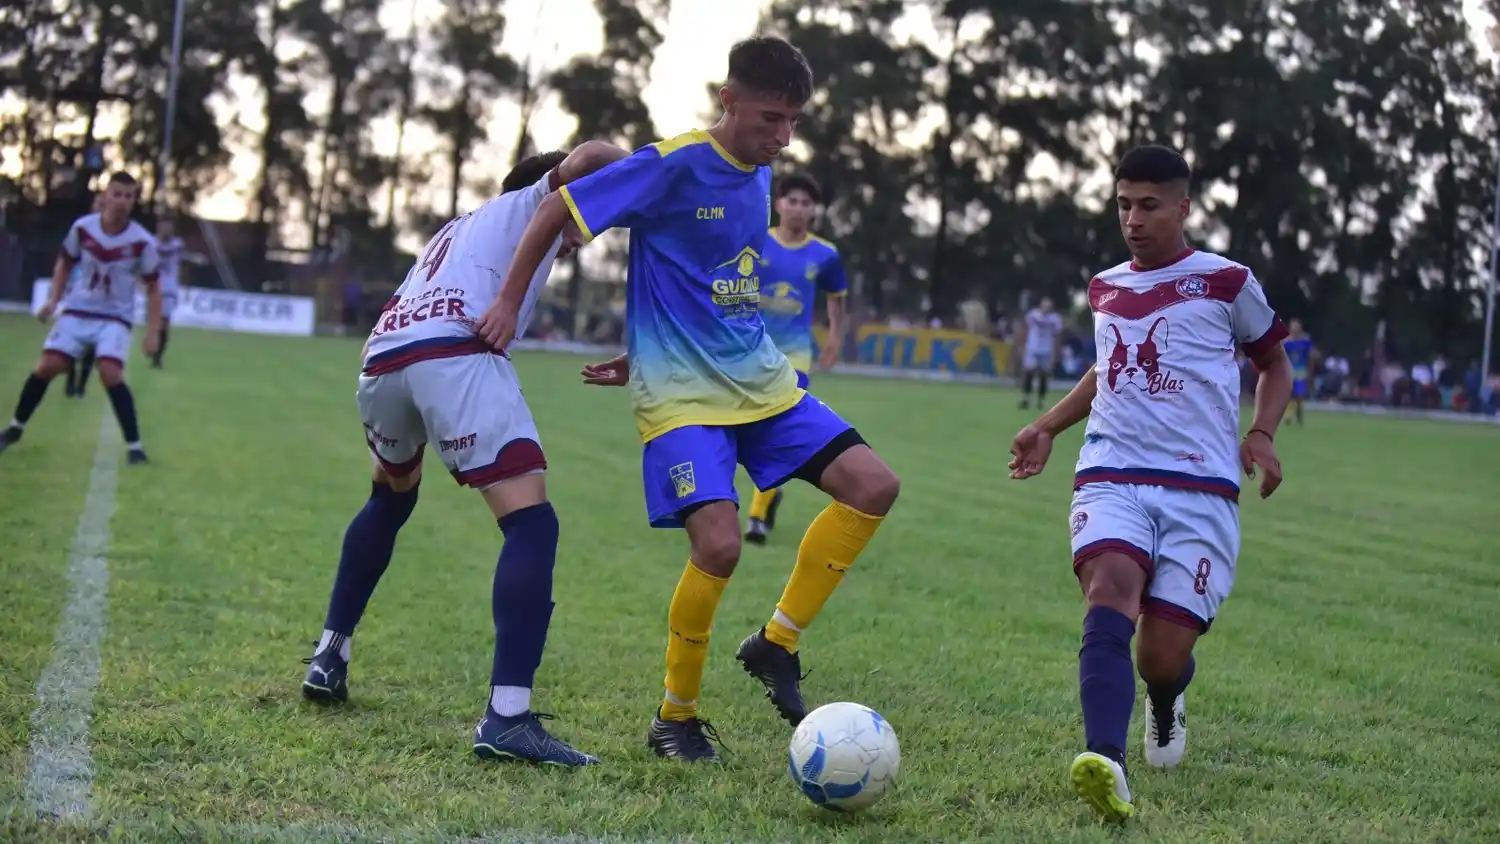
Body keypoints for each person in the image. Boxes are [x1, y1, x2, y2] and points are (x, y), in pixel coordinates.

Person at [477, 35, 901, 764]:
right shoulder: (671, 164)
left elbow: (707, 278)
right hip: (681, 398)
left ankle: (775, 644)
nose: (783, 135)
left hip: (760, 380)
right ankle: (675, 717)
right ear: (727, 101)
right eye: (771, 117)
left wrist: (644, 339)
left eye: (794, 120)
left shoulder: (760, 174)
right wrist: (510, 305)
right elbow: (558, 212)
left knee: (873, 485)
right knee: (720, 544)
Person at [299, 141, 627, 767]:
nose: (575, 241)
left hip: (383, 360)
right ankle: (507, 718)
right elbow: (587, 161)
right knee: (532, 524)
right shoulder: (529, 200)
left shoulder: (460, 226)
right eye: (577, 230)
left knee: (389, 498)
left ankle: (329, 652)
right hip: (453, 353)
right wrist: (660, 166)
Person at [1007, 144, 1292, 822]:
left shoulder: (1226, 281)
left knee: (1159, 658)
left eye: (1148, 205)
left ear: (1184, 206)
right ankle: (1106, 761)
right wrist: (1048, 425)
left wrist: (1262, 435)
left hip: (1201, 492)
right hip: (1111, 473)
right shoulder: (1107, 286)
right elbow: (1108, 371)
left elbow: (1274, 366)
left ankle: (1166, 700)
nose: (1132, 219)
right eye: (1123, 205)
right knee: (1108, 589)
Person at [0, 172, 160, 462]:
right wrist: (53, 300)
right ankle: (14, 428)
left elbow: (153, 288)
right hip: (77, 310)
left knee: (111, 373)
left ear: (134, 201)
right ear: (105, 196)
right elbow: (64, 262)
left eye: (129, 196)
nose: (122, 201)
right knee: (48, 365)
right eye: (117, 194)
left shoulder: (142, 242)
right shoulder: (83, 229)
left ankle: (135, 447)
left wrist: (153, 332)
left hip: (114, 317)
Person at [743, 172, 848, 546]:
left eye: (807, 203)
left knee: (777, 427)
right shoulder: (755, 239)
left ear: (814, 210)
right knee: (744, 429)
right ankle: (768, 495)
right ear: (779, 204)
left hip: (795, 354)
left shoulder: (825, 254)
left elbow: (836, 297)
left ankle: (756, 516)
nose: (799, 209)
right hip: (749, 348)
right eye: (793, 201)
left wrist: (834, 338)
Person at [65, 193, 107, 399]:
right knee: (73, 338)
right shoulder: (81, 229)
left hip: (100, 298)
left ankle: (81, 385)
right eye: (97, 204)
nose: (99, 208)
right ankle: (70, 381)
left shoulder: (113, 233)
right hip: (78, 292)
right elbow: (68, 257)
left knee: (91, 343)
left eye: (103, 205)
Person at [1017, 297, 1063, 410]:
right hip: (1032, 348)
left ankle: (1041, 400)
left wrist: (1056, 352)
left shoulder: (1055, 319)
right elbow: (1025, 329)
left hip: (1046, 350)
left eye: (1048, 306)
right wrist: (1022, 345)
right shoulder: (1033, 315)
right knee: (1029, 372)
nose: (1046, 308)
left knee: (1043, 375)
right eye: (1044, 306)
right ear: (1040, 306)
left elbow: (1057, 335)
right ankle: (1026, 398)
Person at [152, 218, 185, 369]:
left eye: (168, 227)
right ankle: (154, 351)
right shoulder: (151, 242)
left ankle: (158, 357)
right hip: (153, 288)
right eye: (163, 227)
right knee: (154, 323)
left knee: (164, 322)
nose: (165, 230)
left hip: (168, 289)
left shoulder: (177, 244)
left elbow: (166, 250)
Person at [1283, 319, 1314, 424]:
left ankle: (1299, 413)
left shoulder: (1305, 341)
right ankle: (1288, 415)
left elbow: (1310, 356)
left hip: (1300, 369)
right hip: (1289, 369)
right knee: (1288, 393)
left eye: (1296, 328)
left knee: (1299, 394)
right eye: (1293, 328)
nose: (1294, 330)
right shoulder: (1286, 342)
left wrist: (1310, 370)